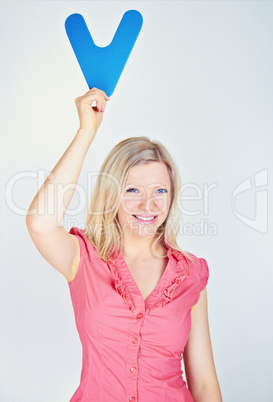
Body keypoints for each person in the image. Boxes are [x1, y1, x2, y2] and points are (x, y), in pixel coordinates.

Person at [26, 88, 222, 402]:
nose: (148, 204)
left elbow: (204, 384)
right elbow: (40, 223)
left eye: (160, 191)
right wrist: (86, 131)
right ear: (111, 195)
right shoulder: (84, 258)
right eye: (132, 190)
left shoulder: (191, 273)